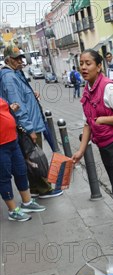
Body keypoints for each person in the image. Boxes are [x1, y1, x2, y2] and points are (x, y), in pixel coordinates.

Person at [72, 49, 113, 246]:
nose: (83, 67)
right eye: (81, 63)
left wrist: (103, 119)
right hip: (104, 145)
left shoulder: (109, 88)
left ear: (99, 66)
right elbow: (87, 124)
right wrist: (81, 151)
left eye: (88, 63)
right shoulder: (87, 90)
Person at [0, 44, 62, 199]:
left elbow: (21, 97)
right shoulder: (9, 77)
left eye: (21, 57)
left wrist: (30, 95)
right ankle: (44, 189)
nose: (21, 60)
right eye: (17, 58)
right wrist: (30, 129)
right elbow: (17, 106)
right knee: (36, 157)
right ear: (8, 60)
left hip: (29, 124)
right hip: (28, 126)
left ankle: (35, 188)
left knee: (30, 158)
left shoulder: (15, 74)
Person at [0, 97, 46, 221]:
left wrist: (10, 109)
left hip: (12, 141)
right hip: (1, 146)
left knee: (21, 171)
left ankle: (27, 202)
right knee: (4, 178)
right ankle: (12, 210)